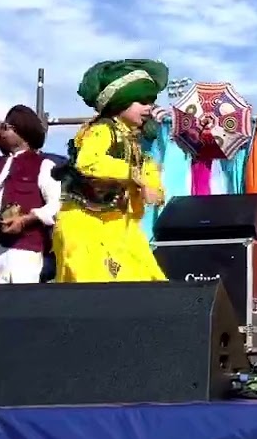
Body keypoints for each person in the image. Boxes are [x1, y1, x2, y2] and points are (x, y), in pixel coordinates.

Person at [51, 59, 170, 283]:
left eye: (151, 102)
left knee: (146, 279)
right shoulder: (102, 129)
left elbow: (148, 171)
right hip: (84, 221)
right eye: (141, 101)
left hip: (119, 224)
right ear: (120, 101)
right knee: (89, 281)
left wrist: (153, 188)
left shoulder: (133, 140)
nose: (148, 108)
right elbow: (88, 163)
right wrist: (135, 177)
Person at [0, 105, 62, 286]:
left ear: (22, 131)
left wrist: (26, 219)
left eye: (6, 127)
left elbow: (57, 205)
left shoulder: (44, 164)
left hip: (23, 249)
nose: (1, 132)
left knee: (22, 303)